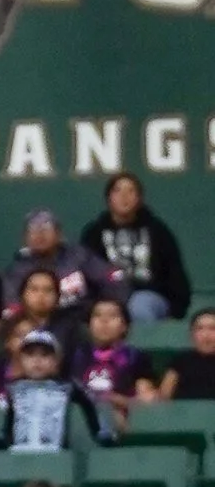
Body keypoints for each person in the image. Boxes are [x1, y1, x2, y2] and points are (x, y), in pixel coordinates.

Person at [80, 174, 192, 325]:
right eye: (118, 191)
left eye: (131, 191)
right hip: (108, 299)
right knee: (105, 313)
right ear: (109, 198)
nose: (124, 197)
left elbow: (174, 272)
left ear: (139, 198)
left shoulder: (157, 231)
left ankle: (139, 349)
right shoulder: (94, 233)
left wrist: (177, 309)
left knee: (139, 306)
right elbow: (85, 274)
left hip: (149, 296)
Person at [0, 325, 105, 454]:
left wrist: (99, 431)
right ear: (21, 360)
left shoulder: (67, 388)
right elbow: (6, 421)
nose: (37, 361)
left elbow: (90, 406)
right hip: (19, 454)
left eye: (44, 355)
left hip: (56, 453)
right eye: (30, 355)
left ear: (55, 361)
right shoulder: (13, 390)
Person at [74, 295, 144, 423]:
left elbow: (147, 401)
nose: (104, 321)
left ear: (124, 326)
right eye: (97, 315)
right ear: (89, 325)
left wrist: (115, 400)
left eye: (112, 316)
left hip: (121, 417)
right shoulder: (76, 356)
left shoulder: (135, 357)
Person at [160, 305, 215, 404]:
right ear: (192, 334)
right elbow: (164, 397)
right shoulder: (180, 361)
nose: (206, 335)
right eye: (200, 329)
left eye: (212, 329)